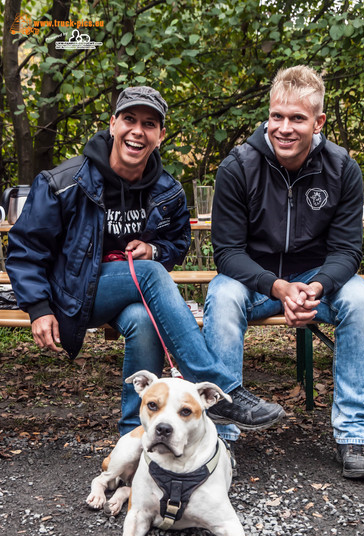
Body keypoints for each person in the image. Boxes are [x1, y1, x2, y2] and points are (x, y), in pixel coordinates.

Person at [6, 85, 285, 441]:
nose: (138, 130)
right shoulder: (64, 183)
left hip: (128, 294)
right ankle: (220, 389)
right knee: (151, 275)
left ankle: (134, 437)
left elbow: (178, 243)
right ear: (112, 124)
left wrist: (154, 251)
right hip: (71, 294)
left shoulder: (166, 190)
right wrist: (38, 307)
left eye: (149, 124)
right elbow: (25, 248)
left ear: (160, 135)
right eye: (129, 119)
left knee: (144, 318)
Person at [203, 66, 364, 479]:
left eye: (297, 118)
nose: (284, 128)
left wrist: (315, 287)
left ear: (318, 123)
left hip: (318, 277)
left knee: (363, 299)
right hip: (254, 281)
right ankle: (219, 437)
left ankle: (354, 434)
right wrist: (277, 287)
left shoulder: (342, 169)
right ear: (268, 115)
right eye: (277, 116)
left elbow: (348, 250)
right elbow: (227, 252)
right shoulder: (237, 167)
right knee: (221, 296)